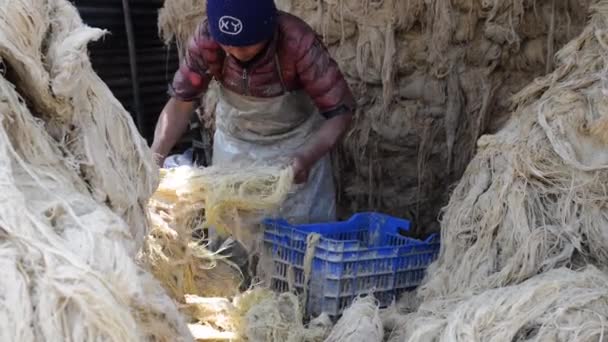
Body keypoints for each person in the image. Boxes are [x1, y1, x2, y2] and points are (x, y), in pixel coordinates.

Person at [151, 0, 356, 226]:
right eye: (227, 45)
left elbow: (341, 112)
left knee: (302, 243)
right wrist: (153, 159)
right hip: (235, 149)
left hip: (294, 153)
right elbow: (181, 104)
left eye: (247, 45)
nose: (237, 52)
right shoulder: (207, 39)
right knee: (233, 238)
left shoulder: (297, 41)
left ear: (268, 29)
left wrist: (306, 157)